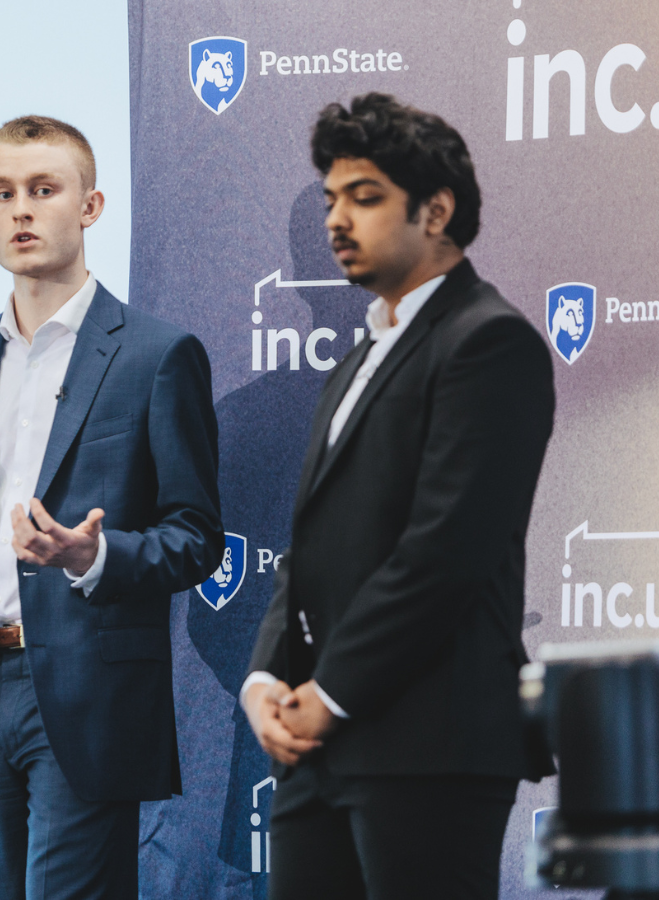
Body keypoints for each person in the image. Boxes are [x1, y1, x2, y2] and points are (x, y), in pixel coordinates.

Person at [242, 93, 556, 900]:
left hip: (431, 744)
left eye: (366, 197)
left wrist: (332, 693)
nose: (337, 220)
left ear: (437, 210)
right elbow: (308, 548)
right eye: (331, 199)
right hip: (318, 751)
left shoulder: (490, 341)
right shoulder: (355, 361)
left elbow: (444, 552)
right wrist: (267, 678)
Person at [0, 115, 223, 900]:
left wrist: (95, 557)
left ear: (90, 205)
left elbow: (197, 538)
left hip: (91, 695)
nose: (21, 209)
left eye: (43, 190)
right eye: (2, 193)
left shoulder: (156, 354)